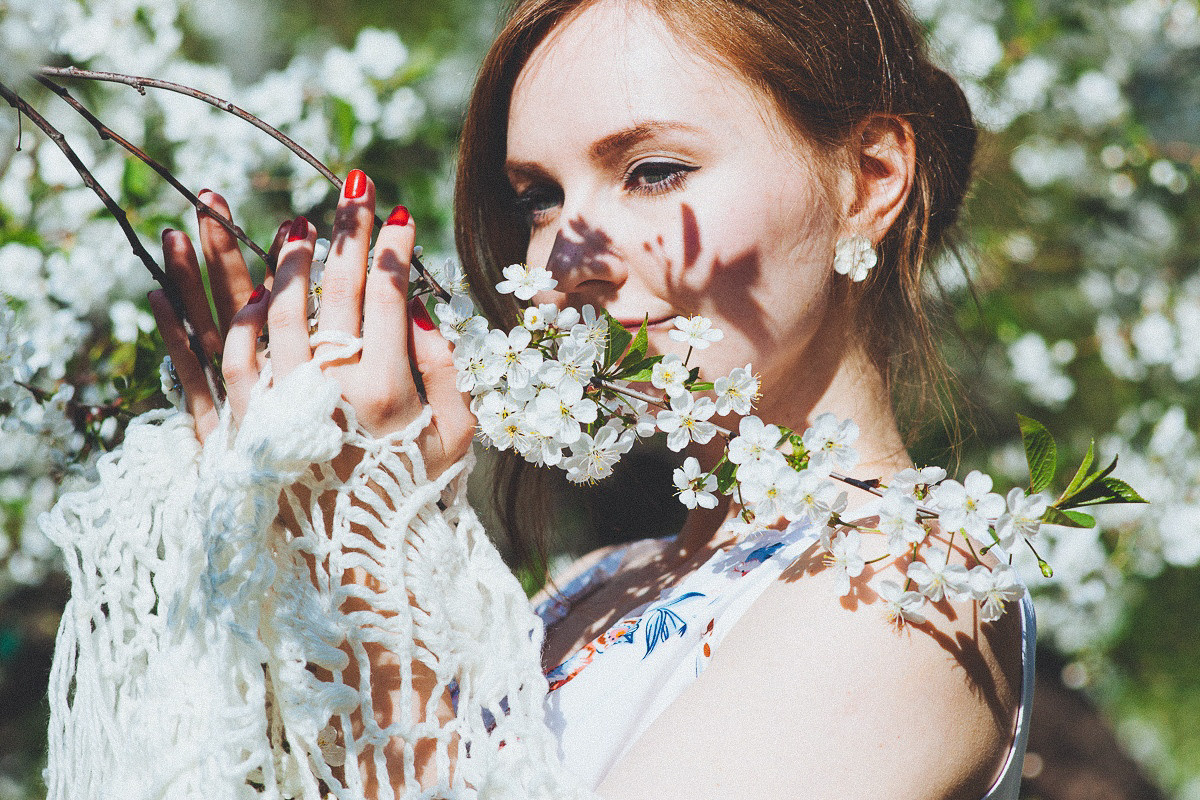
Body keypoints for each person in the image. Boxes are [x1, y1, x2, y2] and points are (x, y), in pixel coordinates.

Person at [131, 0, 1032, 797]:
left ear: (869, 177)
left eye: (653, 170)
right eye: (539, 198)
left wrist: (366, 553)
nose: (564, 261)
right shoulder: (591, 584)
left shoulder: (904, 590)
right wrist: (292, 537)